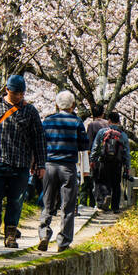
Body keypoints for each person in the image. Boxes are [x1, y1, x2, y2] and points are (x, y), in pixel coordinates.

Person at [0, 74, 46, 248]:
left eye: (22, 93)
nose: (19, 96)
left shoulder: (30, 111)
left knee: (16, 200)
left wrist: (41, 163)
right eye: (16, 93)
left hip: (21, 163)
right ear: (7, 90)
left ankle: (11, 235)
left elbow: (39, 138)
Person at [39, 90, 90, 252]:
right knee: (67, 206)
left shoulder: (47, 121)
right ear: (73, 105)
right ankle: (63, 242)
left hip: (49, 166)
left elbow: (40, 143)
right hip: (68, 167)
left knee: (47, 203)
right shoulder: (77, 122)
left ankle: (44, 234)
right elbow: (84, 146)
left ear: (56, 105)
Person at [90, 110, 132, 213]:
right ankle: (115, 207)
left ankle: (104, 198)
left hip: (104, 161)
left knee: (103, 181)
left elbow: (95, 147)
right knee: (116, 184)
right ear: (118, 121)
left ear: (108, 121)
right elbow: (126, 153)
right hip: (117, 163)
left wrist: (92, 159)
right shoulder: (123, 135)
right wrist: (127, 167)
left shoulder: (102, 132)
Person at [82, 103, 111, 207]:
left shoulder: (92, 125)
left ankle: (97, 202)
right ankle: (106, 196)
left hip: (97, 156)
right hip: (109, 156)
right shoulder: (108, 124)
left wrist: (89, 159)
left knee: (95, 179)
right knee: (106, 178)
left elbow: (89, 143)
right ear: (103, 113)